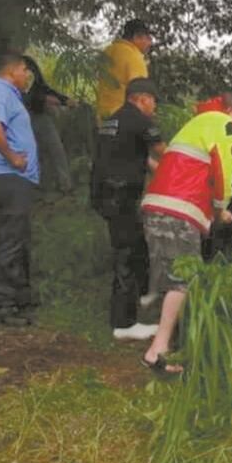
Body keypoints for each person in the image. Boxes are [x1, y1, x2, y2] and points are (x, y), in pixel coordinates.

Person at [138, 92, 232, 374]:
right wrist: (222, 207)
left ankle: (166, 345)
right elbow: (225, 168)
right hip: (181, 209)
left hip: (155, 206)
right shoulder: (224, 125)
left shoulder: (194, 125)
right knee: (183, 281)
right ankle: (158, 352)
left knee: (172, 279)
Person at [90, 77, 166, 340]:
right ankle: (123, 324)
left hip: (104, 193)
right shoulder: (140, 120)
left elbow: (138, 156)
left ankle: (143, 297)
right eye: (153, 101)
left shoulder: (114, 120)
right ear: (142, 98)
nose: (153, 108)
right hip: (120, 195)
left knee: (136, 248)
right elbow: (163, 153)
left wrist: (160, 174)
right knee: (127, 255)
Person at [0, 52, 40, 327]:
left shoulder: (8, 94)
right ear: (13, 70)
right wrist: (12, 157)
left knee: (18, 237)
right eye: (25, 70)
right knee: (9, 240)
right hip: (6, 175)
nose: (27, 76)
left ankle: (20, 295)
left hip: (15, 178)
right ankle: (0, 305)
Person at [22, 55, 74, 194]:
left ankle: (65, 186)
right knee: (30, 153)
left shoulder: (29, 65)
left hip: (40, 116)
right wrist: (44, 99)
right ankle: (31, 186)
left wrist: (64, 100)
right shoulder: (12, 72)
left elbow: (43, 89)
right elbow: (24, 96)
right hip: (24, 118)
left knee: (56, 149)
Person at [96, 19, 152, 123]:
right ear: (136, 37)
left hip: (102, 118)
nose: (150, 43)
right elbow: (140, 95)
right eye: (148, 38)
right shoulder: (134, 56)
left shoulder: (108, 51)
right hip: (125, 121)